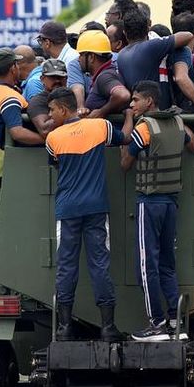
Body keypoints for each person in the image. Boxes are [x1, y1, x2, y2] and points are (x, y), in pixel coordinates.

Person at [45, 88, 134, 342]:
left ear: (63, 109)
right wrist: (128, 115)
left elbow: (56, 163)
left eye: (52, 110)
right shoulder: (100, 127)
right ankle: (108, 327)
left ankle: (64, 328)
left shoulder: (53, 138)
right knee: (100, 265)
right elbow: (126, 138)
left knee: (66, 267)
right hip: (96, 208)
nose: (50, 115)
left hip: (67, 209)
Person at [120, 81, 194, 341]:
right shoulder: (177, 124)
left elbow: (124, 163)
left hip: (149, 202)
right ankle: (176, 323)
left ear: (149, 102)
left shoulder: (144, 128)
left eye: (135, 100)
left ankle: (156, 324)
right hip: (170, 204)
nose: (132, 104)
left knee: (147, 265)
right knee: (167, 264)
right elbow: (193, 146)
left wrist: (128, 122)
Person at [0, 47, 43, 149]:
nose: (19, 67)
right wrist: (47, 140)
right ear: (13, 68)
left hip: (15, 157)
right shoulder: (10, 98)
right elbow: (17, 133)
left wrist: (3, 145)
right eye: (16, 64)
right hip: (31, 156)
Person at [115, 9, 193, 96]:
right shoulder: (152, 46)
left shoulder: (121, 55)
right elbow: (188, 36)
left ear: (124, 32)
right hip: (157, 107)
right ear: (148, 29)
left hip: (136, 106)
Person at [78, 30, 131, 118]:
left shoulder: (104, 76)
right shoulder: (107, 71)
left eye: (81, 55)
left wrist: (102, 112)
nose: (79, 59)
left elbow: (123, 95)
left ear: (91, 57)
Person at [66, 21, 107, 113]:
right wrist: (81, 107)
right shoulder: (76, 63)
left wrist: (102, 111)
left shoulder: (116, 59)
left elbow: (121, 95)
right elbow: (77, 87)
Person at [26, 59, 68, 139]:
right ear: (42, 79)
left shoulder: (72, 96)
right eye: (52, 77)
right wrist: (67, 114)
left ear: (66, 78)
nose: (57, 81)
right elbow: (45, 130)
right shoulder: (37, 101)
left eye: (60, 77)